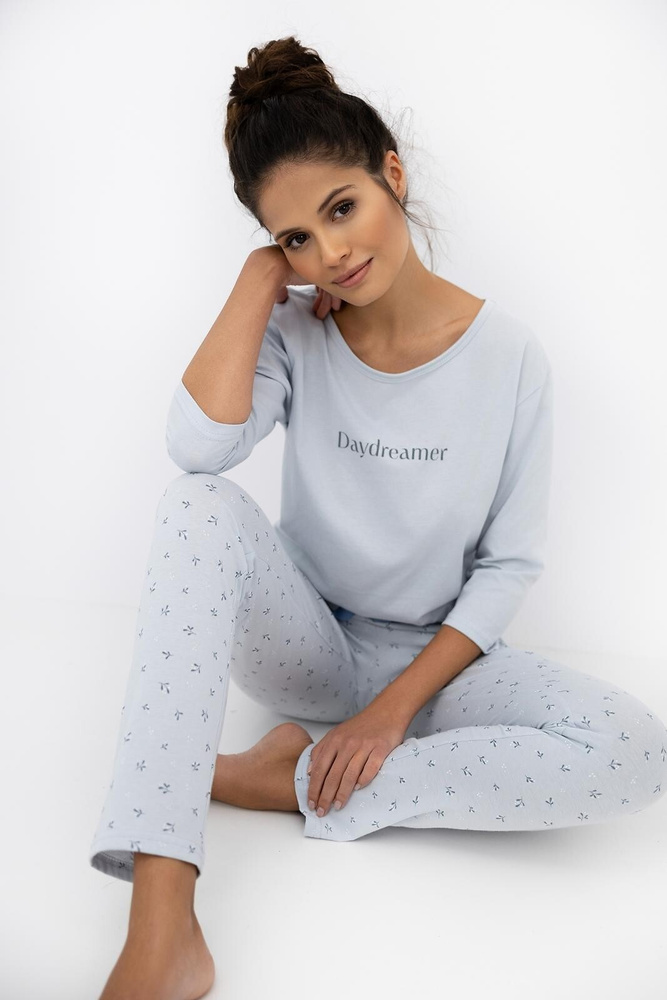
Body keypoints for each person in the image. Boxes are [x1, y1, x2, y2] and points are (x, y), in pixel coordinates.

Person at [89, 35, 667, 1000]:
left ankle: (278, 776)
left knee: (634, 750)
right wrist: (257, 283)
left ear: (391, 174)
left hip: (439, 665)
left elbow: (508, 567)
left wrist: (387, 717)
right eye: (295, 239)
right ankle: (161, 924)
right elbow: (199, 450)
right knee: (195, 507)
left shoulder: (509, 357)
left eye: (340, 209)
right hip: (308, 647)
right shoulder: (293, 332)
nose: (330, 254)